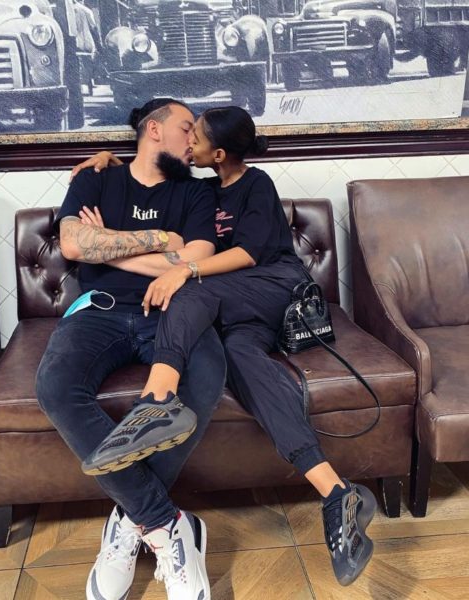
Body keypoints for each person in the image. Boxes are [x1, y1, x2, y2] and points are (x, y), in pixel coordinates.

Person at [72, 106, 378, 587]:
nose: (188, 142)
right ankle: (337, 492)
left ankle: (156, 402)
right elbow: (170, 213)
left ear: (218, 153)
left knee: (189, 291)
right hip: (238, 313)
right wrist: (110, 160)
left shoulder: (256, 185)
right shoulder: (204, 191)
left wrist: (185, 270)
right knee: (242, 361)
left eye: (195, 136)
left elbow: (250, 254)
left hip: (274, 286)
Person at [36, 98, 227, 600]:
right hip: (98, 311)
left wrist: (110, 245)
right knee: (55, 386)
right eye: (186, 129)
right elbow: (73, 245)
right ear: (153, 130)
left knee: (207, 374)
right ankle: (165, 523)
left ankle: (128, 519)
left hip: (171, 310)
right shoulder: (96, 179)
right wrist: (162, 239)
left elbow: (194, 259)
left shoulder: (197, 191)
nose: (194, 141)